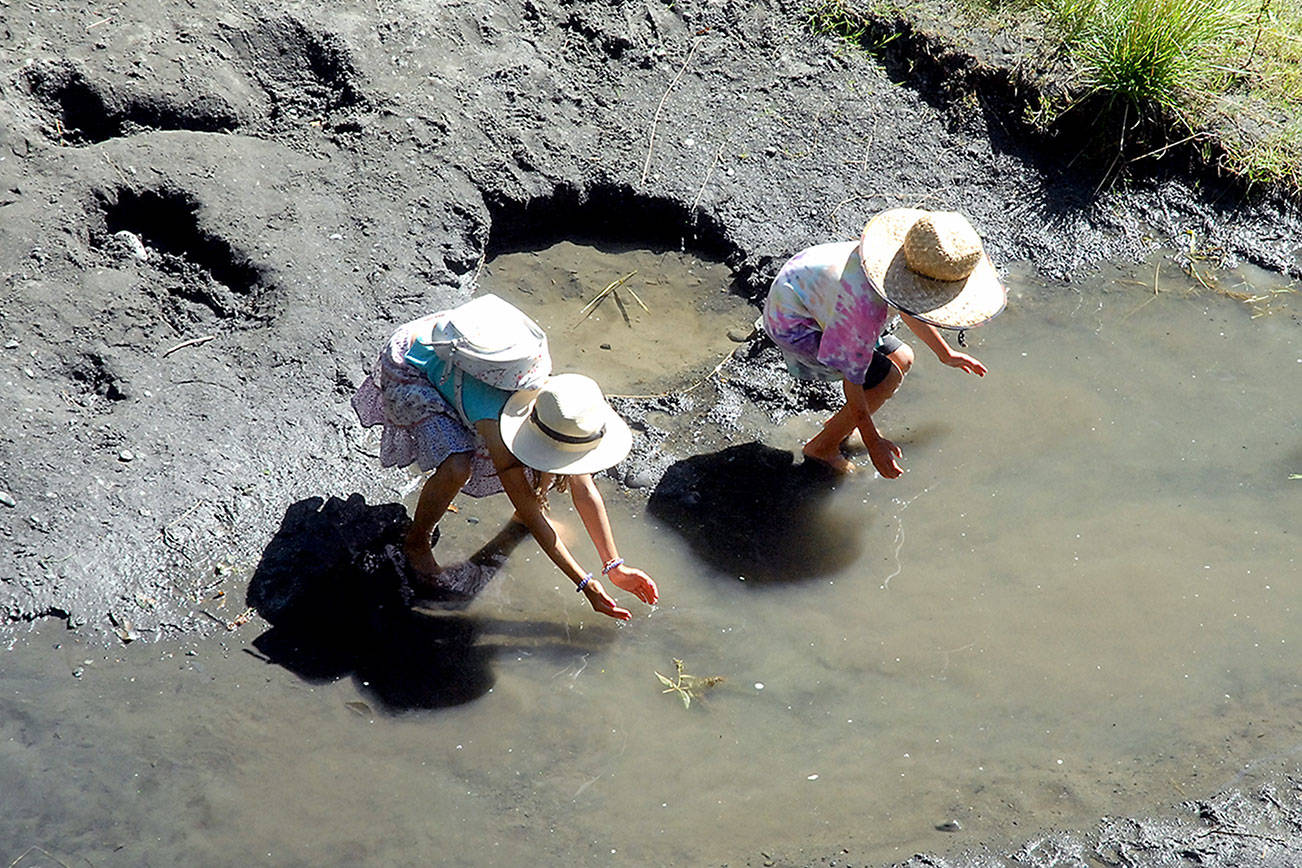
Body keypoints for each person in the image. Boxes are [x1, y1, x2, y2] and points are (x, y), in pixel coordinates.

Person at [351, 309, 658, 621]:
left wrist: (614, 565)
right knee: (459, 465)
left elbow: (584, 490)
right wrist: (584, 582)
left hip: (461, 359)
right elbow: (527, 504)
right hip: (413, 361)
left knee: (545, 459)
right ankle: (416, 541)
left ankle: (523, 517)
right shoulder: (500, 429)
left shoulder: (558, 407)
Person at [762, 208, 1006, 477]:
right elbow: (852, 381)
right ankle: (822, 447)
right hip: (796, 325)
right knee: (887, 377)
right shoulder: (864, 311)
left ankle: (838, 424)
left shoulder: (892, 268)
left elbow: (907, 305)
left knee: (903, 357)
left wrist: (945, 353)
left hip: (820, 300)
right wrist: (872, 442)